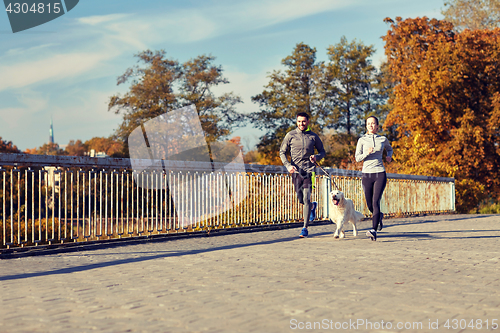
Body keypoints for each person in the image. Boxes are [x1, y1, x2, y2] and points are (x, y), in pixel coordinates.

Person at [280, 112, 326, 238]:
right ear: (296, 122)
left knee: (306, 198)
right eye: (299, 121)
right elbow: (282, 152)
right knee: (300, 198)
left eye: (304, 121)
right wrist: (288, 166)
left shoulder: (313, 137)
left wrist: (316, 157)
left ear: (308, 122)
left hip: (309, 171)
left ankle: (305, 228)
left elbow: (322, 151)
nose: (301, 123)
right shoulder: (290, 135)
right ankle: (312, 206)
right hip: (295, 171)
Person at [355, 116, 393, 241]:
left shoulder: (383, 139)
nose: (371, 126)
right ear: (366, 126)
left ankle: (373, 230)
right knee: (370, 204)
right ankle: (379, 216)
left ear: (377, 126)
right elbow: (357, 158)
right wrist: (367, 153)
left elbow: (389, 148)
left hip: (380, 173)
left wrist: (389, 156)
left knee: (376, 201)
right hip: (366, 174)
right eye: (368, 124)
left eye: (373, 124)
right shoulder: (362, 140)